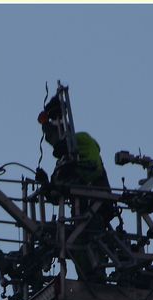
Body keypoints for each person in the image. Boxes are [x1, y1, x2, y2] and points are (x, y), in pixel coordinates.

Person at [37, 98, 117, 281]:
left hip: (96, 210)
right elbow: (56, 195)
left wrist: (73, 166)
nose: (50, 140)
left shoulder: (82, 141)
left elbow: (92, 168)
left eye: (51, 135)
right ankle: (88, 281)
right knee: (69, 241)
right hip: (79, 214)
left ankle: (96, 280)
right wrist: (46, 185)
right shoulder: (62, 161)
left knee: (88, 243)